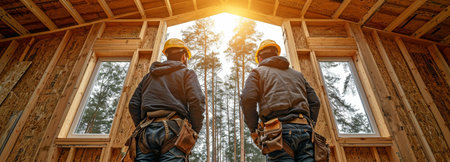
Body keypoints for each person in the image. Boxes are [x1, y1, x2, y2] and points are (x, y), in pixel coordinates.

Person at [241, 39, 321, 162]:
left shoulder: (257, 72)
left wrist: (254, 130)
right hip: (305, 131)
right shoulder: (297, 75)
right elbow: (315, 102)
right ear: (277, 54)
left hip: (277, 133)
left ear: (260, 58)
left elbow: (247, 100)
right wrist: (310, 124)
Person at [128, 38, 205, 161]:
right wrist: (194, 130)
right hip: (174, 131)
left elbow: (133, 104)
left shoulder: (149, 76)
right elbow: (197, 101)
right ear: (184, 56)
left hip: (146, 132)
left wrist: (142, 124)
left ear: (167, 55)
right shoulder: (187, 73)